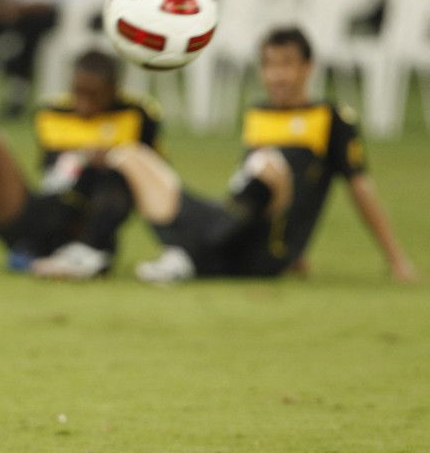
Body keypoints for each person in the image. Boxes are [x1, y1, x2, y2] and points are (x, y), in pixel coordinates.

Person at [42, 27, 415, 283]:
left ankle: (188, 258)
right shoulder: (258, 114)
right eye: (269, 65)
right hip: (231, 231)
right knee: (128, 155)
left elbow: (358, 187)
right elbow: (243, 189)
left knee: (268, 167)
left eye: (286, 64)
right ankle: (94, 252)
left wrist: (395, 258)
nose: (277, 76)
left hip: (263, 254)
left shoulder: (330, 118)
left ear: (307, 68)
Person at [0, 49, 161, 278]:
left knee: (112, 170)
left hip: (87, 225)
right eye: (78, 92)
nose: (84, 104)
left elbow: (153, 179)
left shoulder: (137, 115)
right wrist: (83, 156)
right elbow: (53, 174)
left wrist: (112, 157)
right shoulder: (52, 112)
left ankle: (83, 251)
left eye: (94, 95)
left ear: (113, 89)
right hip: (47, 209)